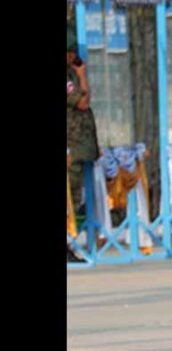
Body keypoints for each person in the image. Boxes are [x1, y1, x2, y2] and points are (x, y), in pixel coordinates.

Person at [67, 30, 98, 263]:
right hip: (72, 148)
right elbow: (83, 102)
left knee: (74, 198)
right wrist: (83, 74)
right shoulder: (69, 78)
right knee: (71, 198)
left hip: (78, 147)